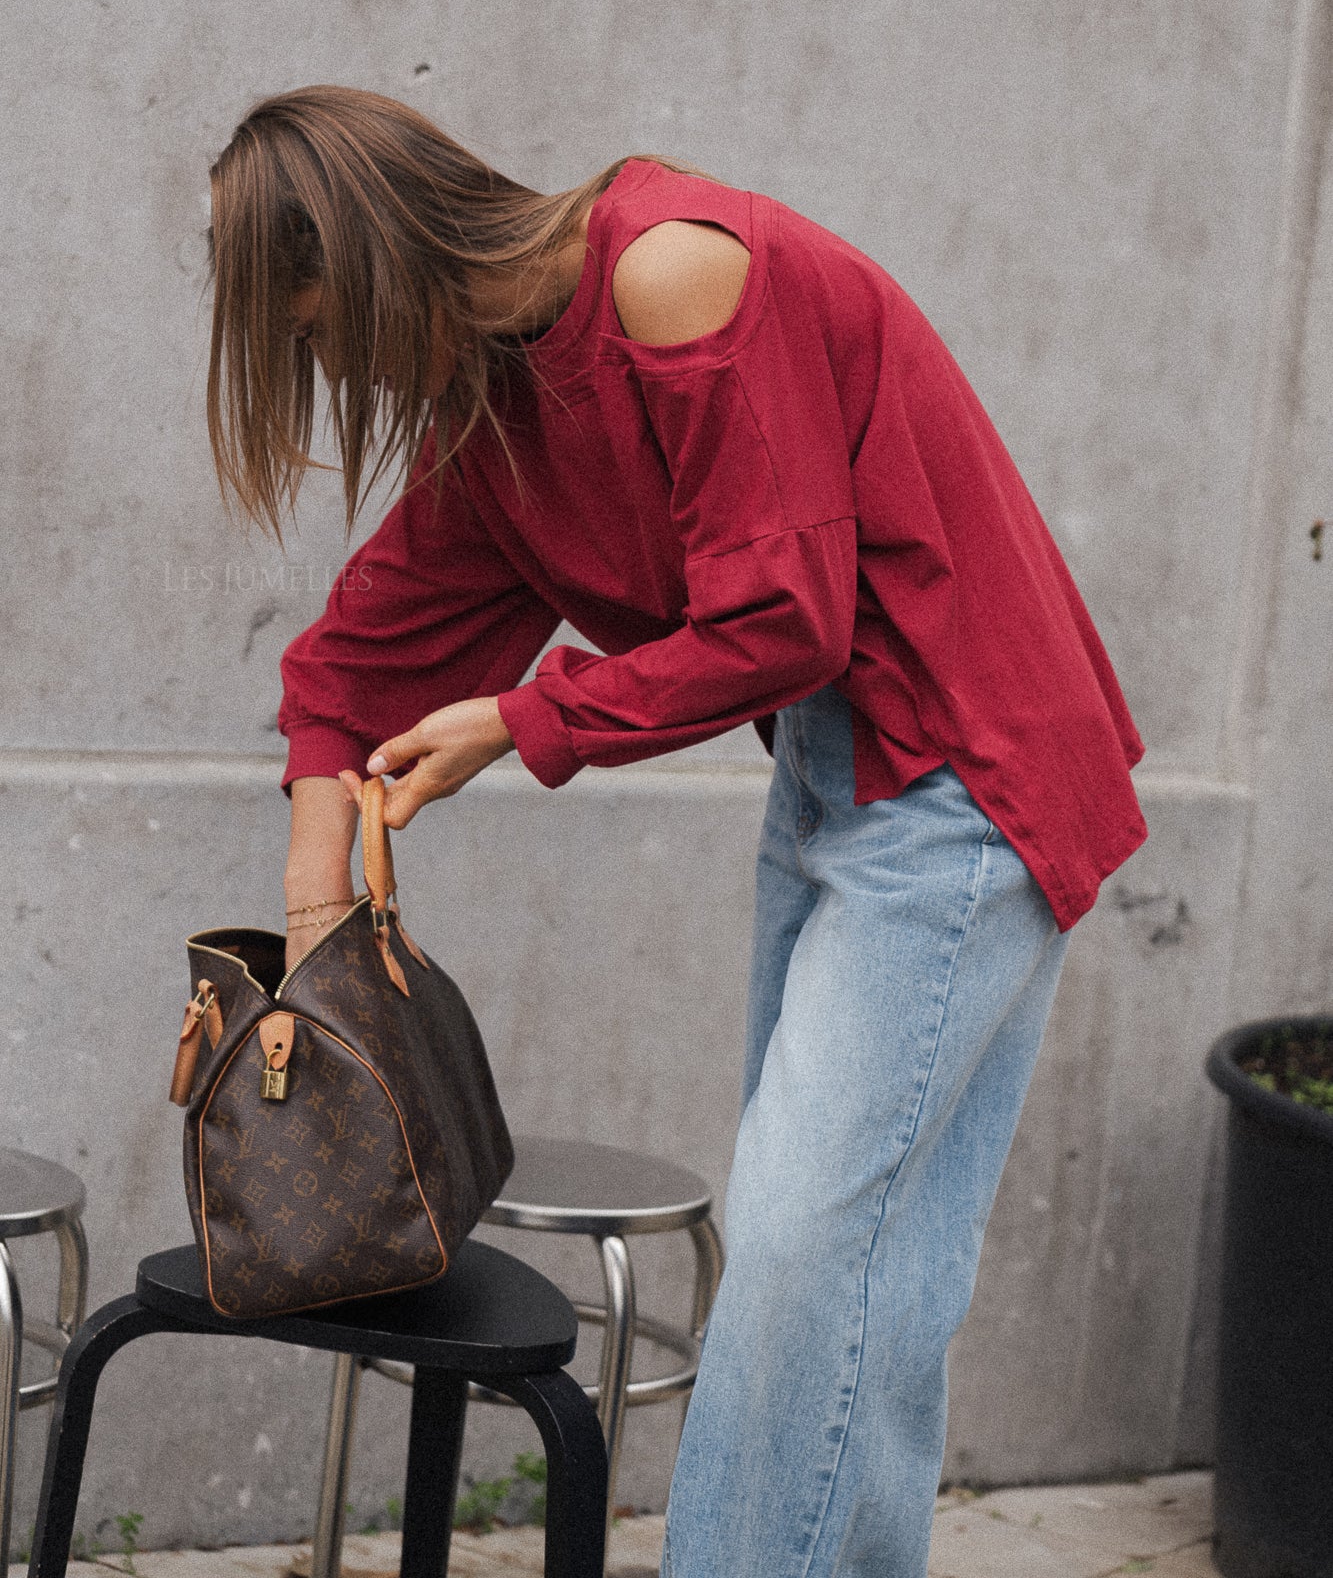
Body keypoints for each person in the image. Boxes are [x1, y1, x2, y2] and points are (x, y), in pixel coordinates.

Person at [206, 84, 1146, 1578]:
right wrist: (314, 929)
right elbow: (357, 666)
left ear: (379, 266)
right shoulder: (500, 408)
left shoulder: (668, 268)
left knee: (800, 1249)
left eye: (313, 330)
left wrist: (526, 721)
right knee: (867, 1278)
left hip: (965, 767)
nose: (330, 373)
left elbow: (784, 617)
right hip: (841, 778)